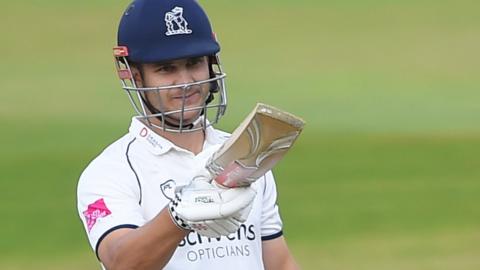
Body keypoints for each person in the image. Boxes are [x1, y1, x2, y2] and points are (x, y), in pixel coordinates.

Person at [77, 0, 300, 269]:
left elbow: (280, 262)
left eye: (194, 63)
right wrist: (179, 217)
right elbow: (121, 262)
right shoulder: (111, 171)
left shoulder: (244, 154)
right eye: (166, 69)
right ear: (136, 76)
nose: (186, 82)